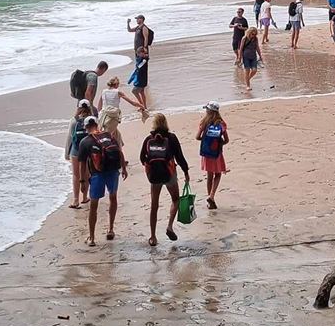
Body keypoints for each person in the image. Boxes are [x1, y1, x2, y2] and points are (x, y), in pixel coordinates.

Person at [77, 116, 129, 245]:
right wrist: (123, 168)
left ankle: (92, 238)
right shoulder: (108, 136)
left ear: (86, 127)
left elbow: (82, 164)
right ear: (97, 124)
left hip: (97, 175)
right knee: (113, 198)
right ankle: (110, 229)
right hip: (113, 171)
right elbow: (120, 152)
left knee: (94, 205)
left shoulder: (85, 141)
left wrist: (82, 182)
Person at [140, 113, 190, 246]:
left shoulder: (148, 139)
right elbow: (180, 157)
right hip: (169, 173)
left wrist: (149, 166)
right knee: (175, 199)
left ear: (154, 124)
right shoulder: (172, 138)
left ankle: (153, 236)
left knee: (154, 205)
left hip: (154, 176)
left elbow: (142, 158)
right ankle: (169, 226)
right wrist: (186, 172)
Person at [196, 101, 230, 210]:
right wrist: (218, 144)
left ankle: (210, 200)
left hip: (206, 153)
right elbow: (227, 140)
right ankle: (212, 196)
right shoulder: (221, 123)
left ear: (208, 111)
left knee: (209, 176)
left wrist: (206, 142)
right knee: (218, 174)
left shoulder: (204, 122)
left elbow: (197, 137)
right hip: (217, 153)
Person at [64, 100, 93, 208]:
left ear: (78, 108)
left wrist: (67, 153)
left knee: (76, 175)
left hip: (76, 150)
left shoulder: (74, 121)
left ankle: (76, 199)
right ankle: (85, 197)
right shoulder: (92, 120)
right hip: (88, 150)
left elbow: (70, 137)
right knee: (86, 173)